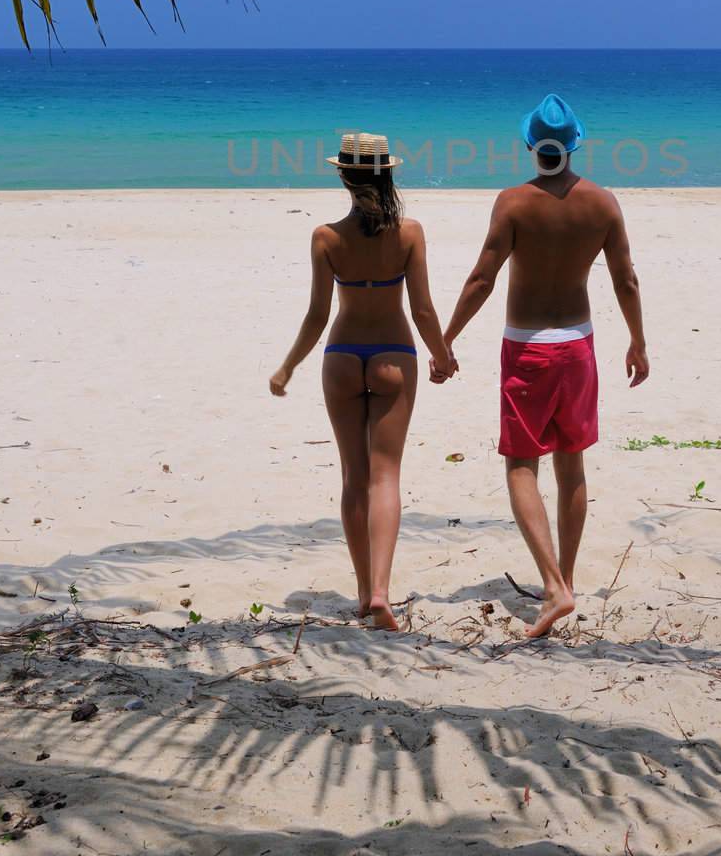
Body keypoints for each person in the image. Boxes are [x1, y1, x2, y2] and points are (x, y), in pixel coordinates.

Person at [437, 95, 649, 638]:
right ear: (577, 144)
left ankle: (554, 586)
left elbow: (482, 278)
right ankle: (565, 582)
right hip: (578, 345)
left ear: (530, 145)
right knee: (572, 465)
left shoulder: (513, 203)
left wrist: (446, 339)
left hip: (528, 348)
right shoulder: (602, 203)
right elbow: (626, 279)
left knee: (521, 466)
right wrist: (637, 341)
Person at [270, 132, 456, 630]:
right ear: (388, 174)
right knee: (386, 476)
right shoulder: (410, 232)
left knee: (354, 477)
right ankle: (380, 592)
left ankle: (360, 591)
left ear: (343, 176)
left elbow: (315, 316)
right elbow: (422, 308)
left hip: (342, 357)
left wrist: (287, 367)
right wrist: (443, 354)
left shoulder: (326, 237)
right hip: (395, 354)